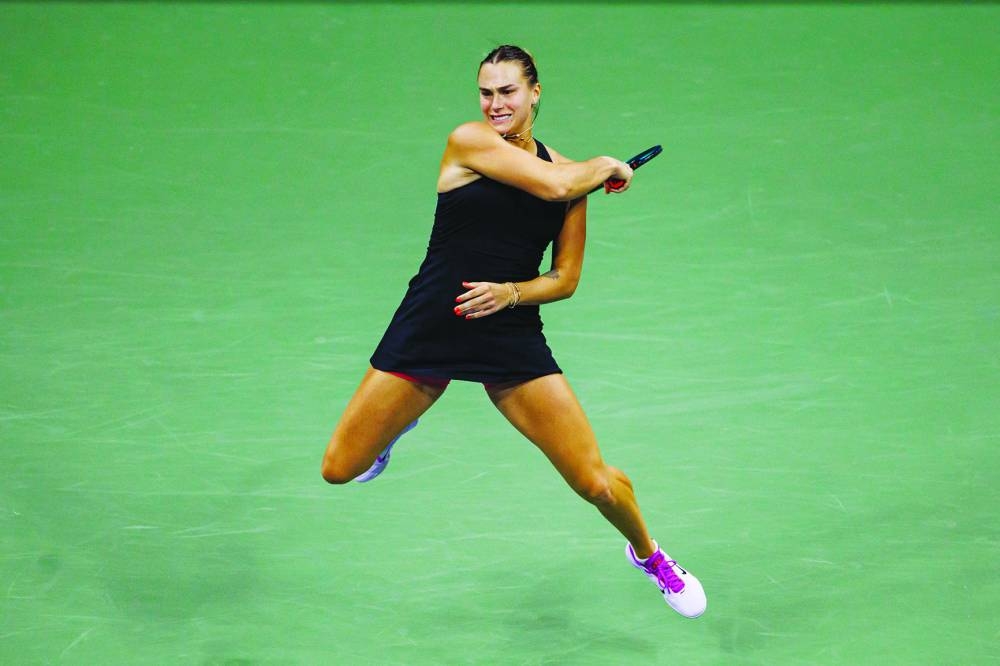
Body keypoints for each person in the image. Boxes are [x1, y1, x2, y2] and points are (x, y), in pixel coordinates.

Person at [321, 45, 706, 619]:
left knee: (594, 481)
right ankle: (398, 426)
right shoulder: (469, 143)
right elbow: (551, 186)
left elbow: (566, 278)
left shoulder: (571, 177)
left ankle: (650, 557)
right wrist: (607, 164)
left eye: (507, 91)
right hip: (433, 322)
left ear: (535, 93)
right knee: (339, 469)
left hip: (510, 334)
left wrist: (512, 293)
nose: (495, 103)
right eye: (486, 92)